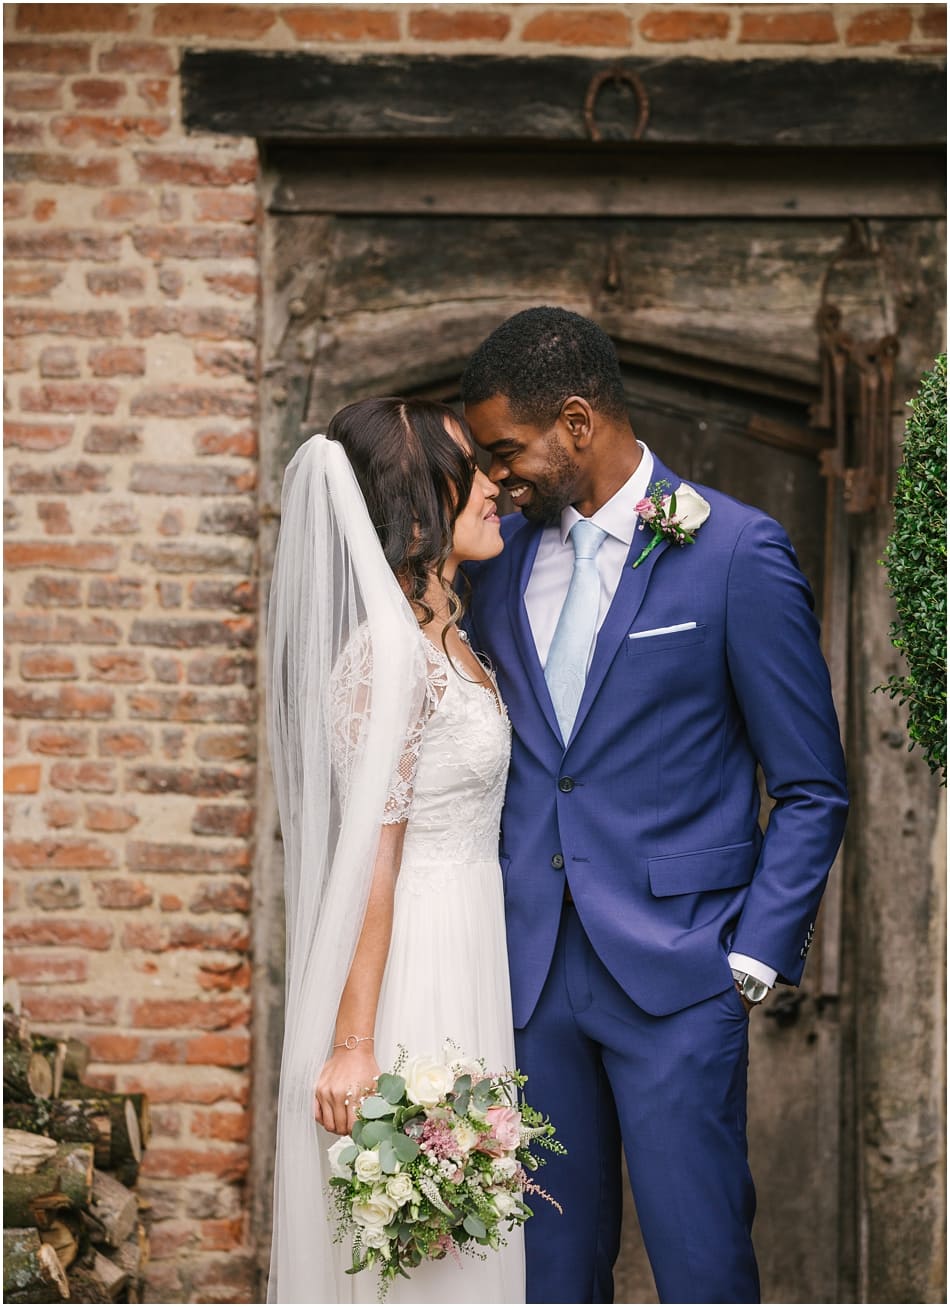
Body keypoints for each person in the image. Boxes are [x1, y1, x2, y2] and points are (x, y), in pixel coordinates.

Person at [460, 307, 849, 1305]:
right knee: (546, 1270)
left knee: (700, 1260)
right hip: (529, 978)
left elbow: (809, 783)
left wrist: (751, 955)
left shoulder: (733, 553)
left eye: (507, 450)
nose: (496, 476)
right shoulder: (497, 564)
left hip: (679, 974)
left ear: (577, 422)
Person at [266, 397, 525, 1303]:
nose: (495, 484)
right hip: (412, 962)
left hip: (467, 941)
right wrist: (354, 1043)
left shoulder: (446, 637)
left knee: (461, 1237)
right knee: (419, 1250)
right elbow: (370, 851)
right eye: (472, 471)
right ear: (423, 503)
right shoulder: (386, 654)